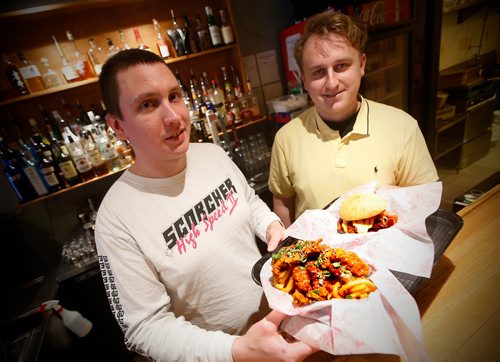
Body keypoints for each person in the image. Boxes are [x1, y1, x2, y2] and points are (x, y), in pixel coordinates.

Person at [94, 49, 315, 361]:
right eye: (148, 104)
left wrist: (271, 226)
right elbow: (144, 328)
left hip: (280, 325)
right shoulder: (116, 218)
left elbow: (249, 201)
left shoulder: (211, 154)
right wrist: (239, 350)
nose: (173, 117)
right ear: (118, 126)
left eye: (174, 96)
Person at [268, 11, 439, 227]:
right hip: (317, 258)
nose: (332, 83)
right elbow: (283, 202)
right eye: (318, 72)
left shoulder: (403, 127)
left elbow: (426, 202)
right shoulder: (286, 138)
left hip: (388, 252)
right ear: (303, 79)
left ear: (362, 64)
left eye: (341, 66)